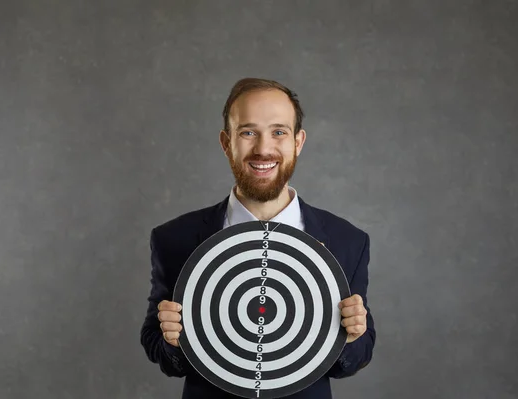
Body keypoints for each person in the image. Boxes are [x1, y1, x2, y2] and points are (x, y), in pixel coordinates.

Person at [140, 77, 376, 398]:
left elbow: (357, 356)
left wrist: (350, 336)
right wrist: (172, 340)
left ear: (298, 142)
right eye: (248, 132)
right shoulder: (174, 238)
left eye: (279, 132)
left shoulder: (347, 240)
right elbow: (159, 349)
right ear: (226, 143)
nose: (263, 149)